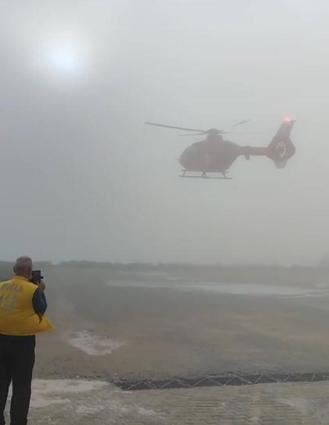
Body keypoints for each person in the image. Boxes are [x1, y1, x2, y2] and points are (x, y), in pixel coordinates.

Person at [0, 257, 54, 425]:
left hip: (1, 339)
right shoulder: (33, 289)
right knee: (21, 387)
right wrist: (41, 290)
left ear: (14, 270)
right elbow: (42, 309)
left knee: (1, 384)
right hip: (23, 343)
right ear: (29, 272)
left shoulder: (1, 286)